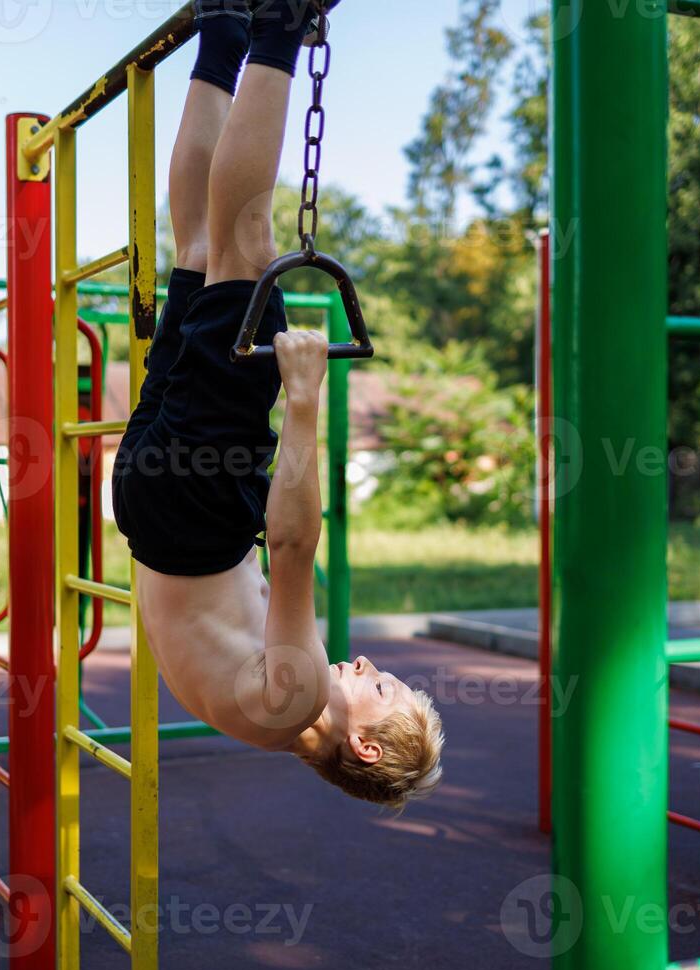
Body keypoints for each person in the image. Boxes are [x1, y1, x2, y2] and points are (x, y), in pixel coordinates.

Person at [113, 0, 443, 810]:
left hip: (197, 509)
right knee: (199, 248)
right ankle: (225, 27)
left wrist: (302, 403)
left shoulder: (293, 697)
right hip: (157, 503)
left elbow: (292, 544)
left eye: (383, 688)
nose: (367, 667)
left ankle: (274, 25)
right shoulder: (260, 716)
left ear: (360, 743)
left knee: (249, 242)